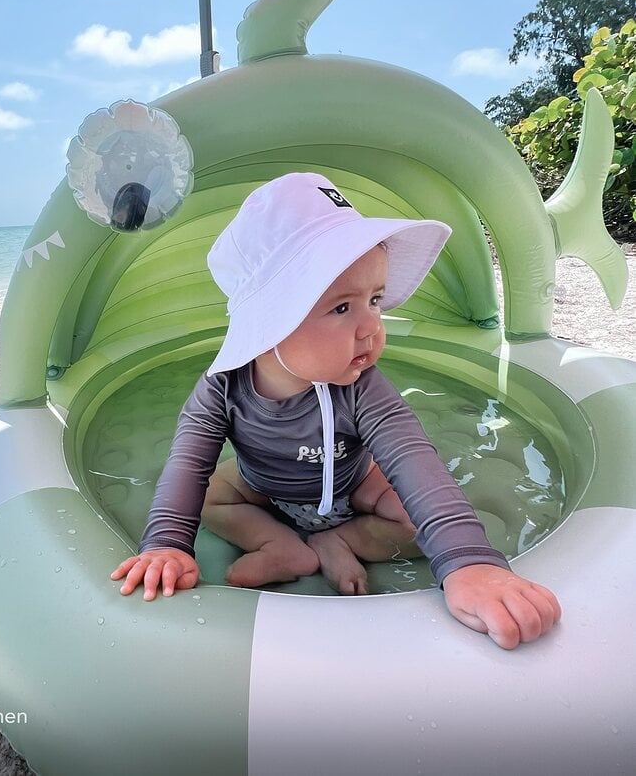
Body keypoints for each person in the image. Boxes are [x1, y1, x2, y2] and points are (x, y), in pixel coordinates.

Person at [111, 172, 561, 650]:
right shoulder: (222, 388)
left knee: (413, 520)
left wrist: (469, 561)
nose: (372, 327)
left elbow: (414, 460)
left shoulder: (364, 387)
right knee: (205, 497)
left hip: (354, 482)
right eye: (342, 308)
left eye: (375, 300)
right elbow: (186, 464)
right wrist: (166, 545)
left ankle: (341, 540)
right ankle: (279, 545)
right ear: (270, 321)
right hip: (260, 484)